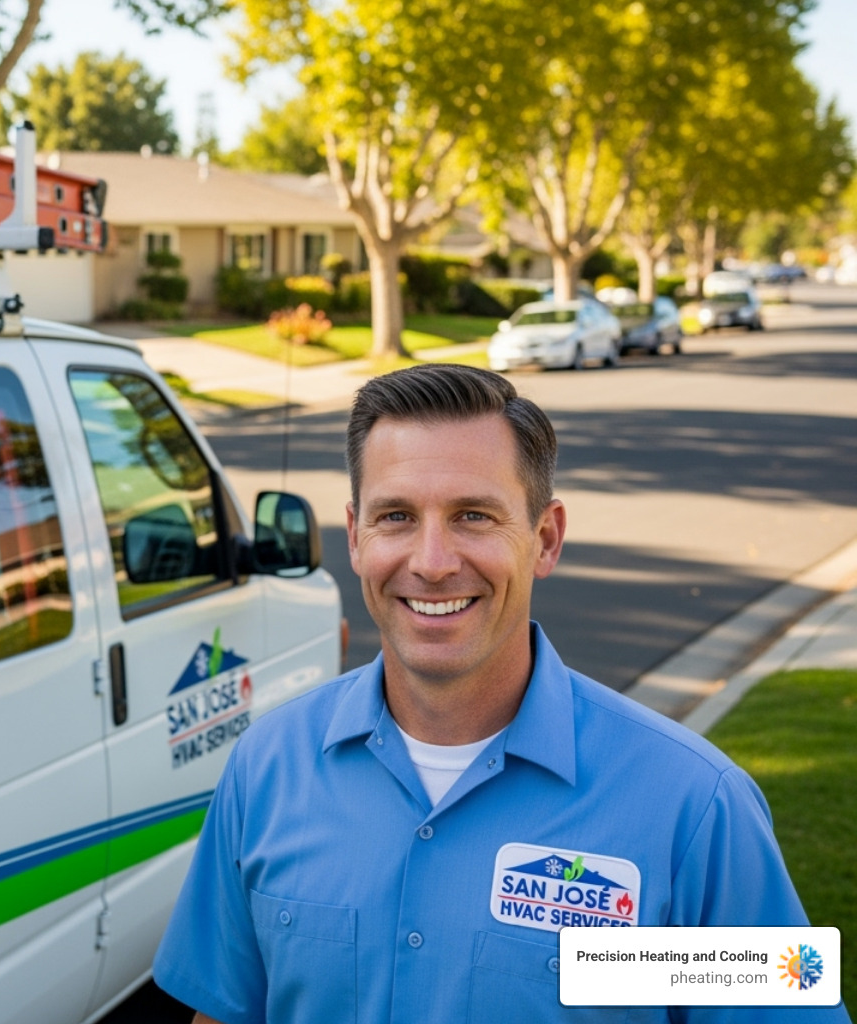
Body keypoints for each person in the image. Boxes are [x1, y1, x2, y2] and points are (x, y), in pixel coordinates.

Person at [153, 364, 846, 1023]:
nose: (431, 562)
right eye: (395, 516)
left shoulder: (695, 809)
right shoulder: (267, 768)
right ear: (357, 538)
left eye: (474, 516)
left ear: (545, 539)